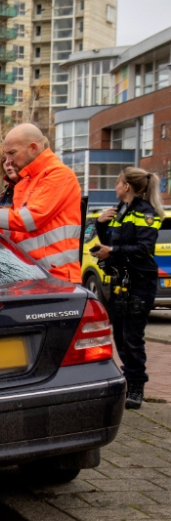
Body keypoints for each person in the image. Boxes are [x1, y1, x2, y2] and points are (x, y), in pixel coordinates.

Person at [0, 123, 82, 282]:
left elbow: (29, 220)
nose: (8, 161)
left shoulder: (58, 175)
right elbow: (15, 232)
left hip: (57, 279)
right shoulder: (27, 182)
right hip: (36, 277)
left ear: (33, 148)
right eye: (6, 156)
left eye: (12, 153)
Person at [91, 167, 163, 409]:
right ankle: (128, 378)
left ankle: (136, 387)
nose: (115, 186)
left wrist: (113, 251)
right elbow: (110, 242)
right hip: (120, 282)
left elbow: (144, 249)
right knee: (120, 337)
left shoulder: (146, 213)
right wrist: (100, 225)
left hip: (140, 282)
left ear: (127, 187)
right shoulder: (120, 211)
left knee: (133, 338)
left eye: (117, 182)